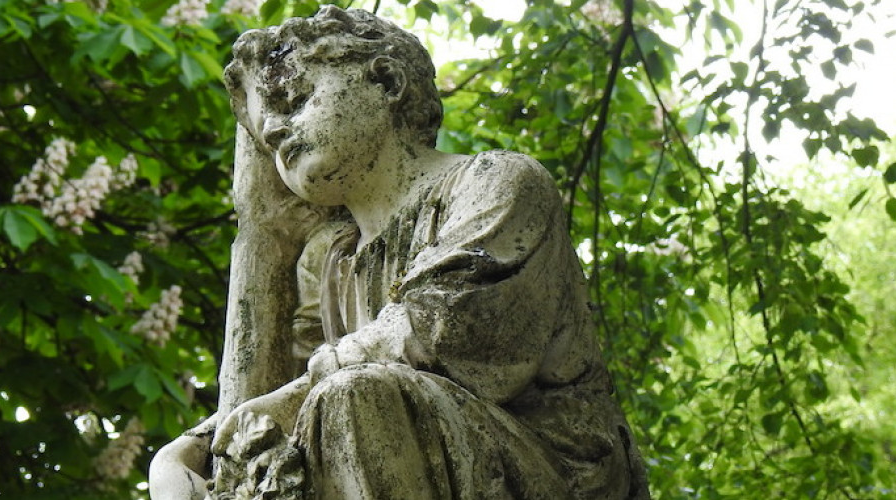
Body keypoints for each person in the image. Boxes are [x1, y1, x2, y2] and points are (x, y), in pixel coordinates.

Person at [149, 7, 649, 499]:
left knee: (356, 396)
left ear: (386, 82)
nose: (277, 130)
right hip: (386, 443)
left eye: (294, 99)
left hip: (546, 471)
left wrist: (280, 408)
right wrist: (184, 453)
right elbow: (279, 400)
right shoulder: (328, 258)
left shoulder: (497, 183)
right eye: (266, 129)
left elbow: (449, 336)